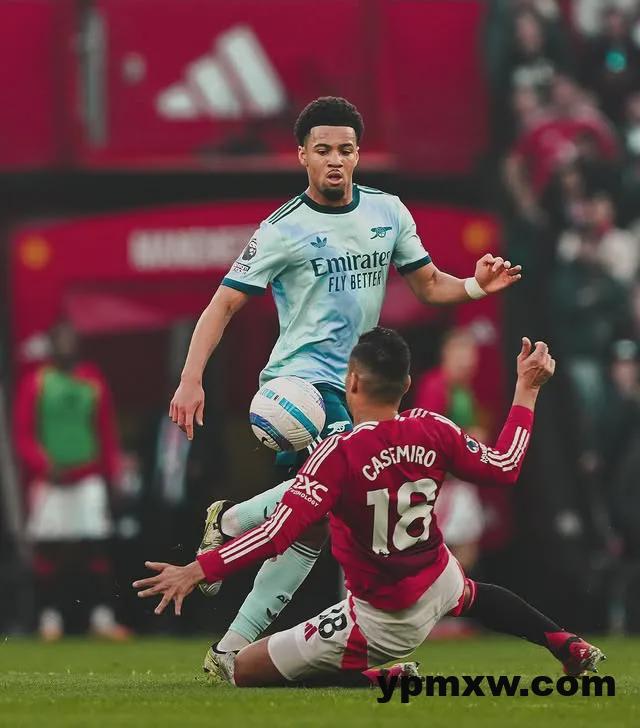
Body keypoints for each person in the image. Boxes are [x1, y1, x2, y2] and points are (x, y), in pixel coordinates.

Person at [169, 97, 522, 654]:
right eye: (323, 150)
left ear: (358, 155)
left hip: (355, 386)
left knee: (313, 525)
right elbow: (223, 305)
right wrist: (191, 380)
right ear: (302, 156)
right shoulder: (281, 229)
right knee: (341, 493)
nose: (335, 160)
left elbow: (430, 285)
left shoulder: (388, 213)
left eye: (345, 150)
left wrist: (477, 285)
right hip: (299, 386)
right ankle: (235, 531)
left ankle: (231, 642)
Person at [135, 328, 604, 687]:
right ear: (407, 383)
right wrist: (527, 389)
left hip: (382, 619)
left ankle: (377, 677)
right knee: (473, 594)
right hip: (437, 576)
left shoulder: (338, 454)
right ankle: (565, 643)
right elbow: (505, 465)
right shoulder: (432, 427)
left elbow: (277, 533)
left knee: (240, 670)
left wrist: (197, 570)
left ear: (352, 381)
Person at [14, 320, 128, 640]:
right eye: (59, 340)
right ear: (51, 346)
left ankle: (102, 619)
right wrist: (42, 464)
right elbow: (23, 434)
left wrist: (113, 476)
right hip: (51, 481)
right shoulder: (36, 382)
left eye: (70, 339)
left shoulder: (93, 380)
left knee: (96, 548)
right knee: (48, 550)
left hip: (87, 477)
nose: (66, 345)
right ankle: (49, 619)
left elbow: (105, 431)